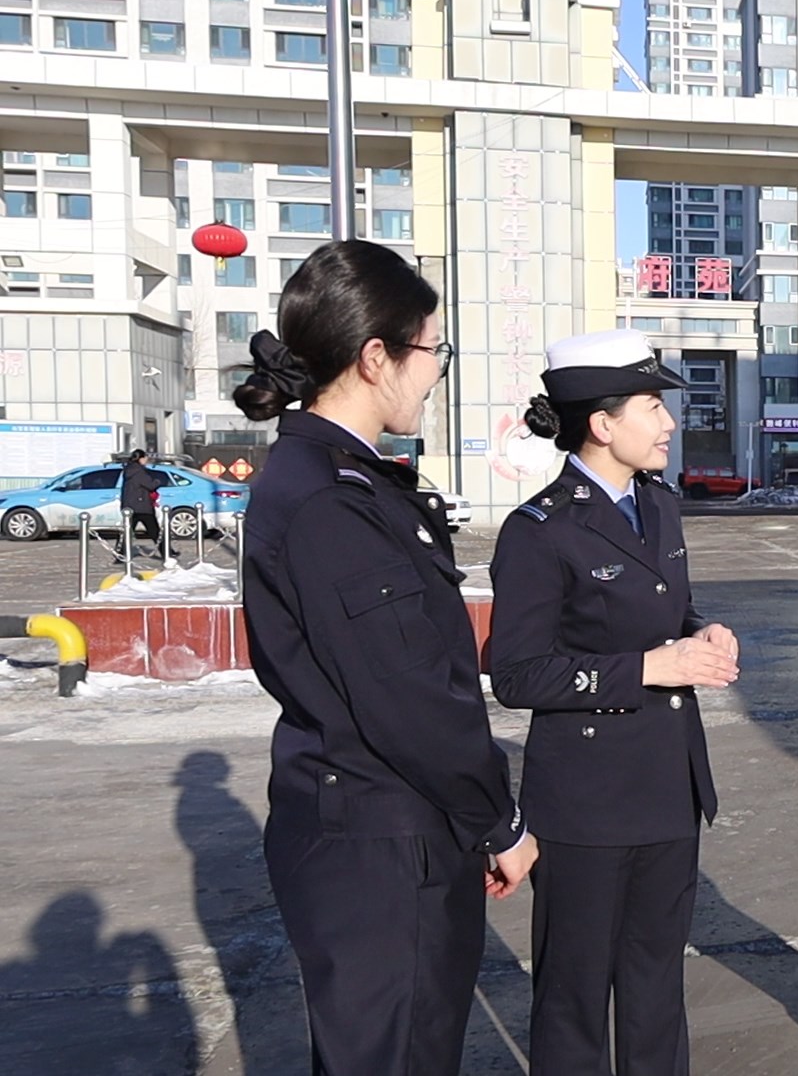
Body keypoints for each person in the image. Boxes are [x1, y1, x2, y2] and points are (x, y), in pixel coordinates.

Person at [231, 239, 536, 1075]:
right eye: (432, 350)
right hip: (382, 840)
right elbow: (411, 696)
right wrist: (499, 821)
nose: (435, 372)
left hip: (375, 824)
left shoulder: (335, 478)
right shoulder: (331, 500)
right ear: (376, 358)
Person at [488, 329, 737, 1076]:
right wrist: (651, 668)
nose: (668, 423)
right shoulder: (539, 531)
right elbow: (518, 675)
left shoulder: (658, 506)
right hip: (586, 807)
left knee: (658, 992)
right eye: (652, 407)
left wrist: (701, 632)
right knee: (574, 998)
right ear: (602, 423)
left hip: (668, 788)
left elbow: (666, 612)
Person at [117, 449, 164, 562]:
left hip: (130, 505)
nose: (146, 460)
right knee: (154, 531)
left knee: (126, 532)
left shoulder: (128, 470)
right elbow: (150, 485)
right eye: (145, 458)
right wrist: (158, 481)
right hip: (142, 506)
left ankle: (119, 555)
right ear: (140, 458)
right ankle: (167, 552)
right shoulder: (139, 471)